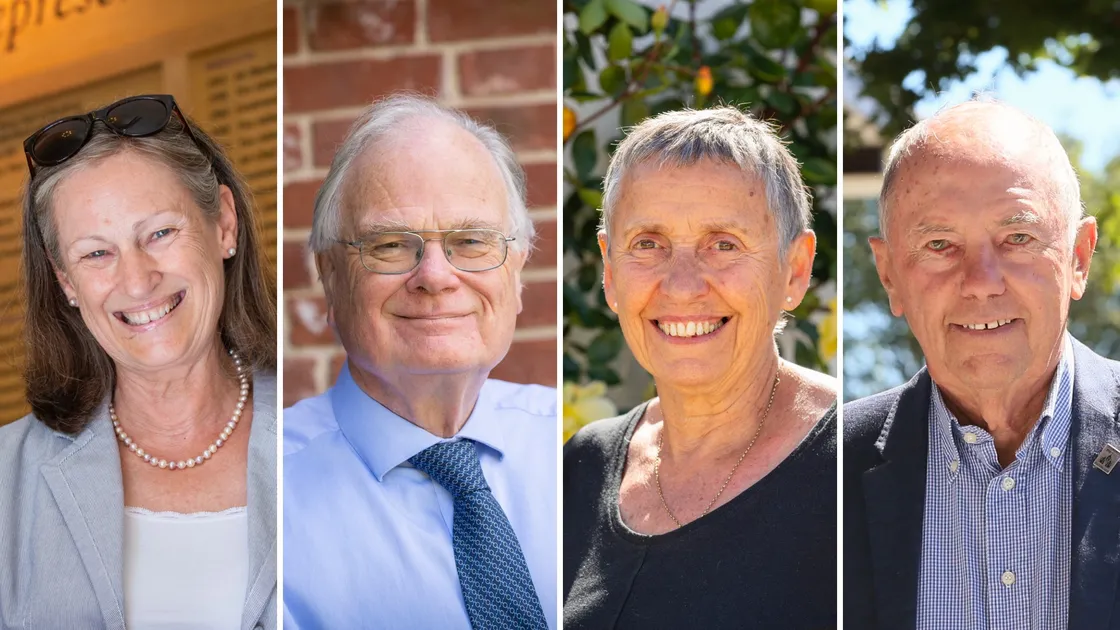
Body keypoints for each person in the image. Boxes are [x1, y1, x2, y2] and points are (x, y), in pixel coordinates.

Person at [0, 94, 278, 629]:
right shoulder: (7, 480)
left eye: (160, 233)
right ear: (66, 281)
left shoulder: (311, 433)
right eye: (96, 253)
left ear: (223, 223)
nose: (136, 281)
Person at [844, 99, 1120, 629]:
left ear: (1079, 258)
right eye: (940, 244)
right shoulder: (824, 476)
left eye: (1018, 237)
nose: (980, 281)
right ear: (889, 275)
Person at [283, 94, 556, 629]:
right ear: (330, 276)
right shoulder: (271, 497)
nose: (434, 275)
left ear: (518, 270)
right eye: (390, 245)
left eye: (471, 240)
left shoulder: (574, 450)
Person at [563, 107, 838, 628]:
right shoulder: (581, 468)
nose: (683, 285)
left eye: (723, 245)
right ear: (610, 272)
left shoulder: (861, 459)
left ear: (795, 270)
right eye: (648, 244)